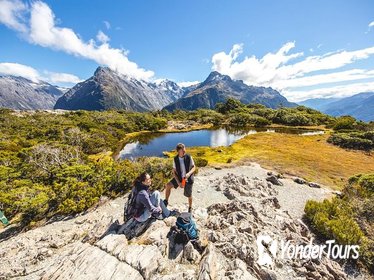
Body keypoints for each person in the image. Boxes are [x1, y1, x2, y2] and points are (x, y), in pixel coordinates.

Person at [164, 143, 196, 213]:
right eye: (183, 151)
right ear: (178, 151)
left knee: (189, 195)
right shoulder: (175, 159)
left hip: (188, 178)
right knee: (168, 185)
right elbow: (174, 172)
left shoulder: (189, 157)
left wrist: (189, 173)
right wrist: (178, 182)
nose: (184, 152)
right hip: (179, 178)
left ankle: (190, 208)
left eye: (184, 150)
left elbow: (194, 167)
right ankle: (166, 201)